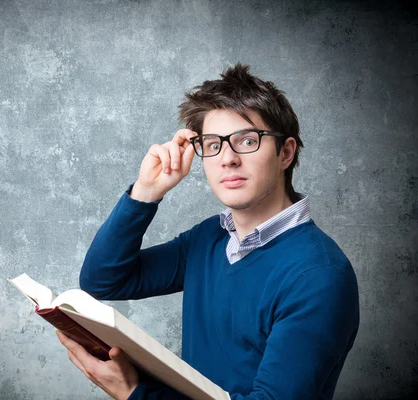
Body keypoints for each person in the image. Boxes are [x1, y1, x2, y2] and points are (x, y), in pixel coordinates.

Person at [56, 63, 360, 399]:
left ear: (285, 153)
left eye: (247, 140)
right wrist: (146, 191)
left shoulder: (318, 275)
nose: (227, 159)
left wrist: (134, 393)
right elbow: (102, 280)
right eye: (213, 144)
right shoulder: (209, 238)